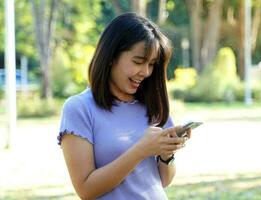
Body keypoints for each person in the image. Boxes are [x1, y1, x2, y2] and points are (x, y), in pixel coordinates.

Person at [57, 12, 192, 200]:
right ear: (111, 55)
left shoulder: (152, 104)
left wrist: (166, 154)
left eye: (152, 64)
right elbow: (86, 190)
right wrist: (141, 150)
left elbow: (163, 180)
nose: (145, 72)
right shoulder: (79, 108)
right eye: (138, 61)